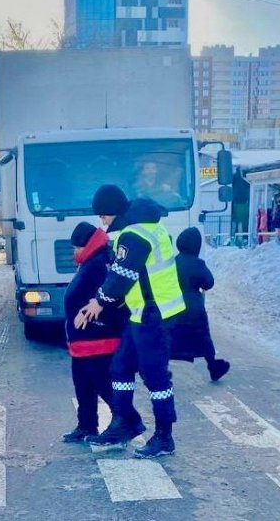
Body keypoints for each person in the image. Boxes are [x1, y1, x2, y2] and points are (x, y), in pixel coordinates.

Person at [77, 197, 185, 459]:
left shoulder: (134, 234)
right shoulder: (150, 228)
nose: (101, 221)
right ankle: (123, 422)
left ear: (115, 213)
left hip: (153, 314)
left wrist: (98, 302)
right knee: (121, 367)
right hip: (143, 312)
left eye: (104, 215)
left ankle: (164, 436)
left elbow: (123, 275)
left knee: (155, 376)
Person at [62, 222, 127, 443]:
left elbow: (109, 298)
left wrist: (90, 316)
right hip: (83, 341)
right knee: (83, 384)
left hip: (97, 339)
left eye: (76, 247)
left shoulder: (99, 265)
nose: (74, 252)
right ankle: (87, 425)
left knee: (103, 384)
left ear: (86, 245)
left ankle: (127, 421)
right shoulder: (91, 261)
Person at [170, 227, 230, 381]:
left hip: (173, 306)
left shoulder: (172, 262)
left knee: (170, 337)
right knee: (203, 337)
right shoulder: (198, 264)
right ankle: (213, 366)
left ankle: (161, 369)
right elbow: (208, 283)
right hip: (194, 309)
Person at [91, 184, 130, 250]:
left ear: (113, 211)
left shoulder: (127, 235)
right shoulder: (129, 229)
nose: (104, 223)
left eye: (103, 217)